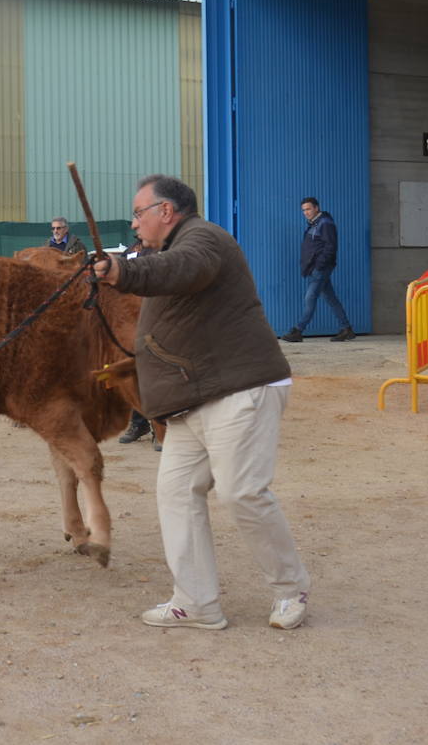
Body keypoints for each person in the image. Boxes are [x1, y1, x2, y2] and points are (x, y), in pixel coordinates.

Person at [94, 174, 310, 631]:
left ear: (166, 212)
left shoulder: (202, 241)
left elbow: (180, 271)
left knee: (243, 493)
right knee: (175, 493)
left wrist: (123, 272)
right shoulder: (170, 249)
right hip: (194, 398)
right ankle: (196, 602)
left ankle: (291, 589)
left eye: (139, 212)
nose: (134, 223)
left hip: (239, 390)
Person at [280, 197, 355, 343]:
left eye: (308, 209)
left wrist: (319, 265)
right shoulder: (315, 224)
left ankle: (298, 330)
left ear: (316, 208)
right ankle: (346, 329)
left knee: (310, 297)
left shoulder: (325, 224)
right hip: (315, 268)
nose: (306, 212)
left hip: (320, 268)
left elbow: (330, 247)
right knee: (330, 298)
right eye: (303, 210)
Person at [115, 239, 158, 451]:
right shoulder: (132, 250)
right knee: (135, 372)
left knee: (156, 374)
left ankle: (160, 429)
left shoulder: (164, 247)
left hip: (158, 318)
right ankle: (139, 424)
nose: (136, 224)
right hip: (134, 319)